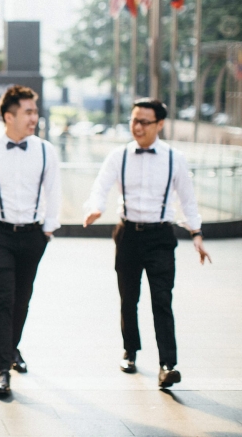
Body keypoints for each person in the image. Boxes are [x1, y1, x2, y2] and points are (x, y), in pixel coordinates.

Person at [83, 98, 211, 388]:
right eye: (134, 120)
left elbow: (187, 200)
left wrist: (197, 234)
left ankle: (168, 364)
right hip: (128, 234)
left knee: (162, 300)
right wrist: (95, 207)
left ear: (160, 124)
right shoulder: (119, 156)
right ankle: (131, 350)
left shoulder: (174, 158)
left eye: (144, 122)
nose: (137, 127)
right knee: (129, 298)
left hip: (160, 237)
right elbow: (100, 185)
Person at [0, 85, 61, 397]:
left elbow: (54, 192)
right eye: (28, 112)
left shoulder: (47, 150)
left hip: (34, 235)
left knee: (23, 298)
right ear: (9, 116)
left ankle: (12, 348)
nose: (34, 117)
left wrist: (48, 230)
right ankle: (2, 368)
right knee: (5, 298)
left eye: (35, 111)